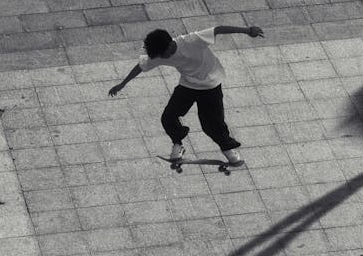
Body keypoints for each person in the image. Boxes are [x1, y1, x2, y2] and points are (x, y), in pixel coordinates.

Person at [108, 23, 264, 164]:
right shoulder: (161, 53)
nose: (163, 58)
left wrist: (247, 31)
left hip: (211, 84)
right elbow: (141, 66)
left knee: (211, 124)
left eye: (163, 55)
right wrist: (122, 84)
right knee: (168, 117)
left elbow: (218, 29)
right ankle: (178, 144)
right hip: (188, 85)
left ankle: (228, 149)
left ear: (169, 44)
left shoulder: (192, 40)